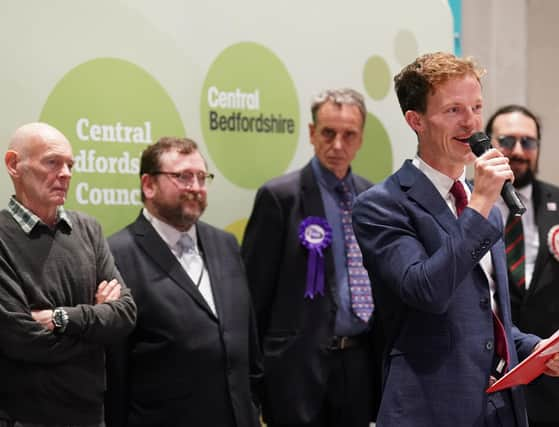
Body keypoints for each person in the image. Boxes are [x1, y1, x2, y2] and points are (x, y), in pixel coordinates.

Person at [351, 52, 559, 426]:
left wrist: (535, 349)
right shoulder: (380, 206)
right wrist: (479, 206)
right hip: (428, 409)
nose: (472, 123)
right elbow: (428, 291)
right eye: (453, 110)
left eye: (476, 106)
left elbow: (482, 310)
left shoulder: (480, 201)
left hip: (497, 409)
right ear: (416, 121)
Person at [242, 88, 377, 427]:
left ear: (361, 140)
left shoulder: (374, 197)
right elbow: (254, 299)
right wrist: (255, 379)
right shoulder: (279, 198)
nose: (337, 145)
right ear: (312, 133)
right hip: (296, 371)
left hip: (360, 364)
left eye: (349, 135)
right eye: (328, 133)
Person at [105, 137, 261, 427]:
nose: (196, 187)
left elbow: (248, 345)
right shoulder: (117, 255)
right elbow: (114, 370)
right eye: (183, 177)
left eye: (202, 177)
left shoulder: (225, 243)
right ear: (148, 185)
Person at [0, 122, 136, 427]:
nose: (66, 174)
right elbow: (20, 339)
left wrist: (61, 318)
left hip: (92, 417)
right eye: (52, 162)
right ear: (14, 165)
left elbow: (125, 315)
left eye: (70, 165)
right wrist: (97, 326)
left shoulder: (88, 229)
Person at [485, 104, 559, 427]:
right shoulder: (468, 202)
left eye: (528, 142)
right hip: (487, 373)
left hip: (549, 375)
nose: (518, 151)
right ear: (488, 144)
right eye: (507, 141)